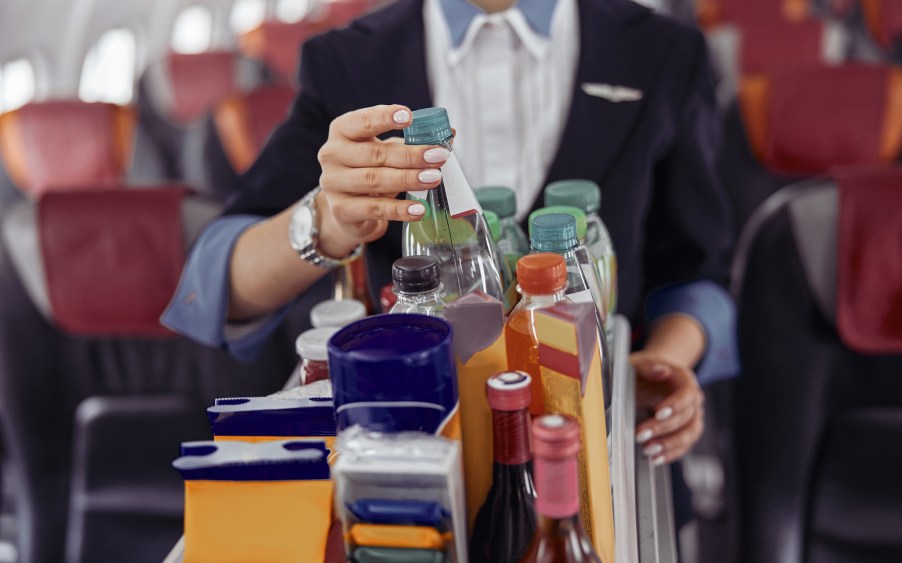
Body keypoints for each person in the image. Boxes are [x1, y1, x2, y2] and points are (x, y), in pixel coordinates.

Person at [163, 0, 739, 469]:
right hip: (412, 440)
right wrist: (328, 219)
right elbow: (220, 280)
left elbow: (699, 272)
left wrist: (665, 360)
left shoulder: (662, 51)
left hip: (600, 431)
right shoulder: (349, 59)